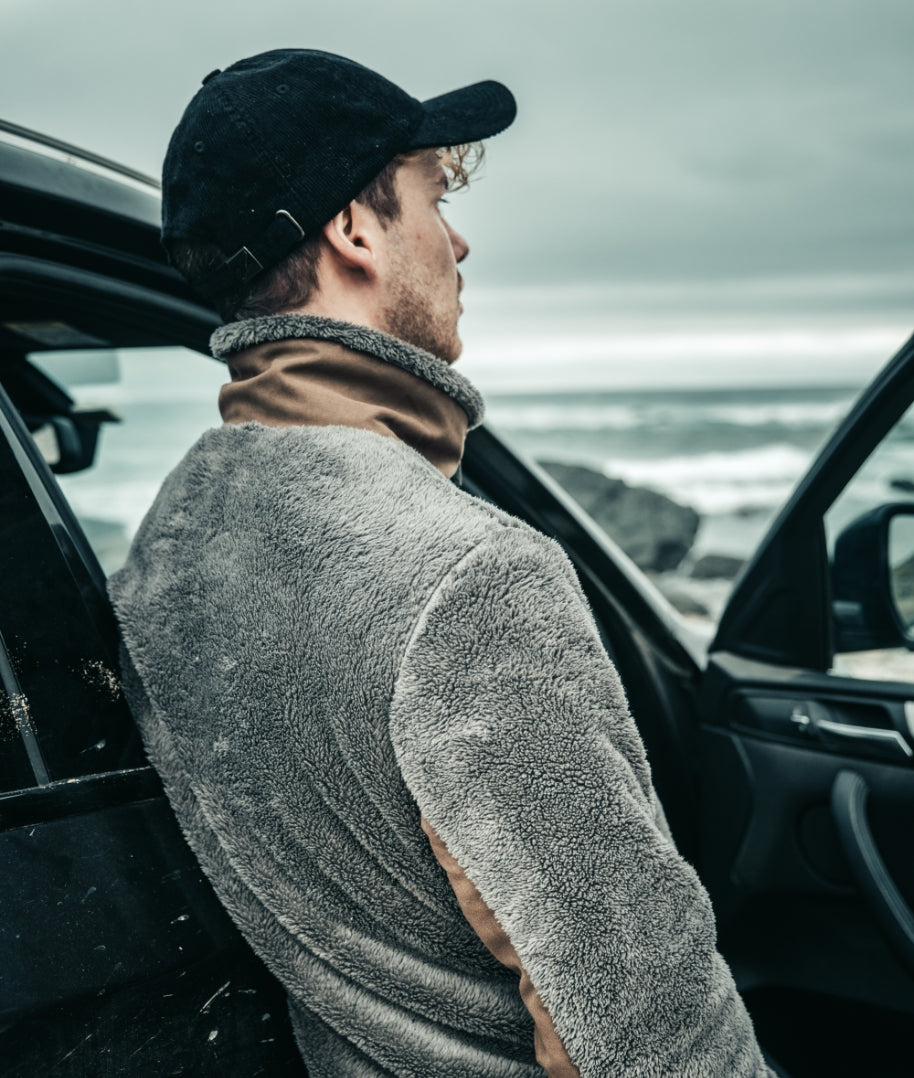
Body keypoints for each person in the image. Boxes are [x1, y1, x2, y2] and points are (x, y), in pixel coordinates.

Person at [108, 49, 775, 1077]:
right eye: (433, 200)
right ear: (355, 229)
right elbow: (643, 1026)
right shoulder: (469, 578)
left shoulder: (171, 542)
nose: (457, 242)